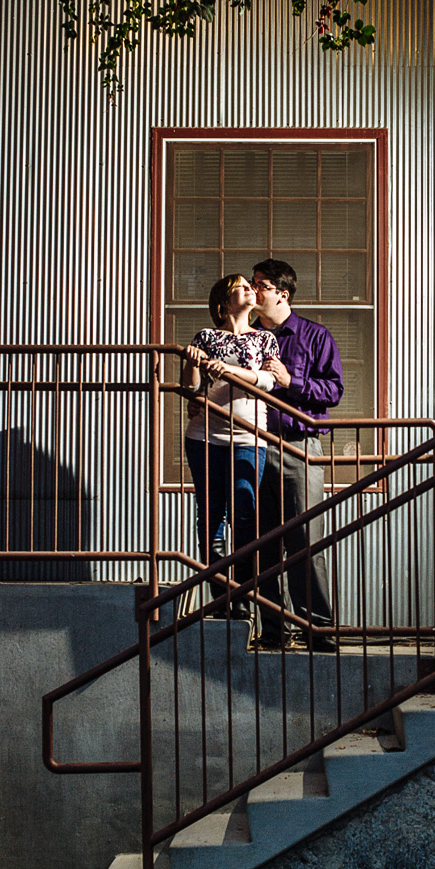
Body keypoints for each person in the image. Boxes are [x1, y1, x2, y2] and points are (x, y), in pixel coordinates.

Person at [251, 258, 344, 651]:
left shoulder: (314, 337)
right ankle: (274, 630)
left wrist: (292, 380)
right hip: (252, 445)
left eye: (261, 285)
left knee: (306, 540)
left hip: (299, 447)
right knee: (263, 544)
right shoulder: (248, 338)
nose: (253, 291)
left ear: (281, 293)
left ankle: (317, 630)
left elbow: (334, 392)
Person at [182, 274, 279, 620]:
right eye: (240, 287)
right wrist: (194, 362)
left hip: (249, 437)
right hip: (205, 437)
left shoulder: (265, 339)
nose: (249, 290)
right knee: (211, 516)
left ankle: (242, 592)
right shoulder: (206, 337)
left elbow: (269, 381)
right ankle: (223, 599)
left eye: (250, 287)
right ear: (223, 303)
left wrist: (233, 373)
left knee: (245, 513)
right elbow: (190, 389)